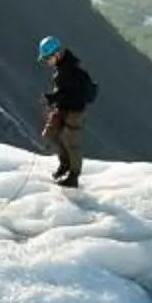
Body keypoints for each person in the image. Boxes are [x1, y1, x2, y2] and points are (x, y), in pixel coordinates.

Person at [38, 36, 97, 189]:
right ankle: (65, 164)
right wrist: (53, 99)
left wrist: (52, 98)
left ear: (56, 54)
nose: (47, 62)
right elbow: (65, 92)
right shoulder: (64, 68)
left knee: (71, 141)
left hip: (75, 111)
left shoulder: (72, 71)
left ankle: (73, 176)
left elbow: (73, 95)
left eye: (47, 58)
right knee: (50, 134)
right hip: (64, 107)